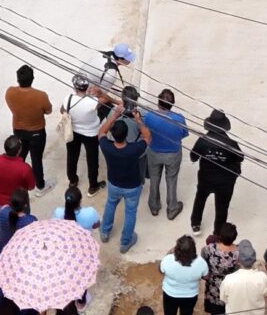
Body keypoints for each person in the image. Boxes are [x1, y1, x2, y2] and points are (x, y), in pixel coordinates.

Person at [189, 108, 243, 232]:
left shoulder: (203, 140)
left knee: (200, 199)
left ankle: (195, 224)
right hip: (225, 181)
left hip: (206, 178)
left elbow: (193, 156)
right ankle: (218, 231)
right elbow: (240, 157)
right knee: (222, 207)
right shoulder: (231, 143)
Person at [102, 116, 150, 253]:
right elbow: (147, 137)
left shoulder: (106, 146)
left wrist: (114, 115)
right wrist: (139, 120)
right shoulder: (134, 148)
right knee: (130, 213)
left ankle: (105, 232)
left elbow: (101, 132)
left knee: (110, 205)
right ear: (126, 134)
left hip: (114, 184)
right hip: (132, 186)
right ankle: (125, 242)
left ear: (112, 133)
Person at [143, 88, 191, 217]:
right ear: (172, 104)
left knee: (154, 178)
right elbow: (183, 135)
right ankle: (172, 208)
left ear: (158, 102)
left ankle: (154, 206)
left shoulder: (149, 116)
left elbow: (145, 131)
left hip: (154, 151)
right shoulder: (179, 119)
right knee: (171, 180)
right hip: (173, 153)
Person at [6, 64, 54, 188]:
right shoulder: (41, 95)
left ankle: (17, 180)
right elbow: (48, 111)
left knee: (20, 156)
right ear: (32, 79)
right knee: (36, 159)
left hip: (18, 129)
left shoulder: (10, 92)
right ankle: (40, 185)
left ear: (18, 80)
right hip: (36, 131)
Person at [65, 73, 108, 192]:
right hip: (91, 133)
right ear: (87, 87)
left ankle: (72, 180)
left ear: (74, 87)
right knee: (92, 159)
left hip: (73, 131)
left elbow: (63, 110)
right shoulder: (92, 102)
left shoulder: (68, 98)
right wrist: (99, 92)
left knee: (72, 156)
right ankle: (93, 185)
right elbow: (106, 99)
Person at [204, 222, 258, 315]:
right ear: (234, 237)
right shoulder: (239, 252)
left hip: (214, 286)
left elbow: (203, 264)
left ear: (220, 236)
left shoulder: (209, 249)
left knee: (215, 311)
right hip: (234, 286)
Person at [162, 234, 211, 315]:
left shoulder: (167, 259)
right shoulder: (201, 263)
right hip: (190, 296)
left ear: (176, 250)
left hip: (170, 294)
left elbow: (161, 271)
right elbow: (206, 276)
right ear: (193, 250)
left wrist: (169, 253)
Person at [0, 134, 39, 212]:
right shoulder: (25, 168)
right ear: (19, 151)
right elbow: (31, 186)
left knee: (4, 223)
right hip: (20, 204)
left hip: (2, 203)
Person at [0, 188, 39, 258]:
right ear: (25, 205)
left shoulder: (3, 210)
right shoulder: (31, 220)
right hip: (17, 254)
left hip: (1, 250)